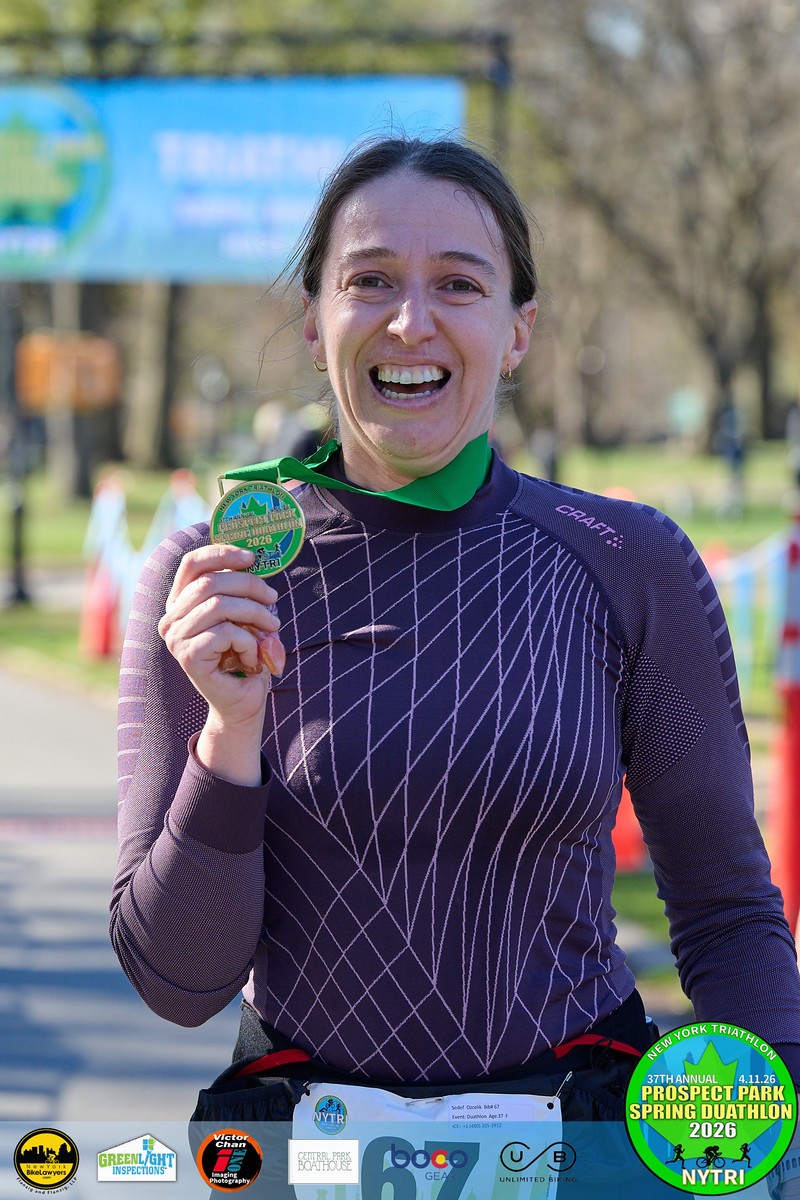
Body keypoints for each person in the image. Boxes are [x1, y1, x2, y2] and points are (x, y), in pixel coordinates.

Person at [110, 135, 800, 1181]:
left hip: (587, 1139)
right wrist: (228, 731)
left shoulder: (629, 562)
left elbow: (725, 915)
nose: (410, 320)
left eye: (458, 285)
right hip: (303, 1149)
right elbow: (179, 983)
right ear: (313, 322)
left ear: (516, 331)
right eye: (370, 280)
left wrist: (777, 1137)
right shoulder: (207, 581)